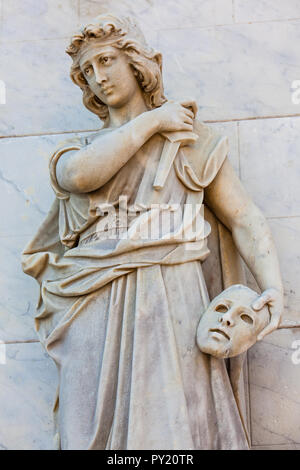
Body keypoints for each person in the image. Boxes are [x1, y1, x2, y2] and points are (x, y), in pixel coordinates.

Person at [22, 14, 283, 450]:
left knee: (173, 429)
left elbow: (244, 218)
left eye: (106, 60)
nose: (98, 77)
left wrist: (272, 286)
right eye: (87, 70)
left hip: (171, 299)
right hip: (93, 300)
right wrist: (154, 121)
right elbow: (80, 177)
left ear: (140, 64)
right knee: (85, 433)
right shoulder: (81, 149)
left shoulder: (190, 142)